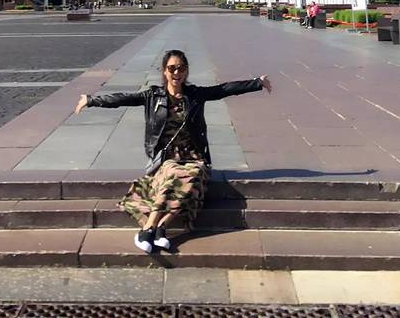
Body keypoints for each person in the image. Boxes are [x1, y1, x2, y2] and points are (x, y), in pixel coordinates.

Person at [74, 49, 271, 254]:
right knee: (175, 174)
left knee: (195, 173)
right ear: (164, 71)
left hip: (194, 156)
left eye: (181, 68)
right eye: (172, 68)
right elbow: (123, 99)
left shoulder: (195, 95)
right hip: (167, 157)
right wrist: (91, 100)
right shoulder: (153, 96)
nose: (177, 73)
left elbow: (224, 89)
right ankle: (153, 227)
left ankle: (156, 227)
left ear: (186, 71)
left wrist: (257, 82)